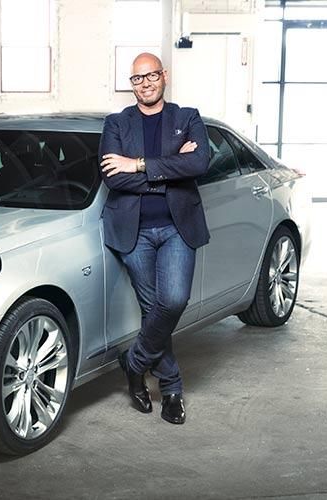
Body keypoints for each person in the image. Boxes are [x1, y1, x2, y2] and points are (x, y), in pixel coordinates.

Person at [99, 53, 210, 424]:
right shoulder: (117, 123)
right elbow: (113, 177)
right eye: (137, 78)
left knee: (173, 300)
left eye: (151, 75)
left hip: (178, 227)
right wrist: (171, 168)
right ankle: (172, 389)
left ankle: (134, 364)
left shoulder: (187, 117)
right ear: (131, 84)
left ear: (165, 76)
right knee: (153, 311)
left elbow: (199, 163)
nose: (145, 83)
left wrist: (139, 164)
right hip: (135, 232)